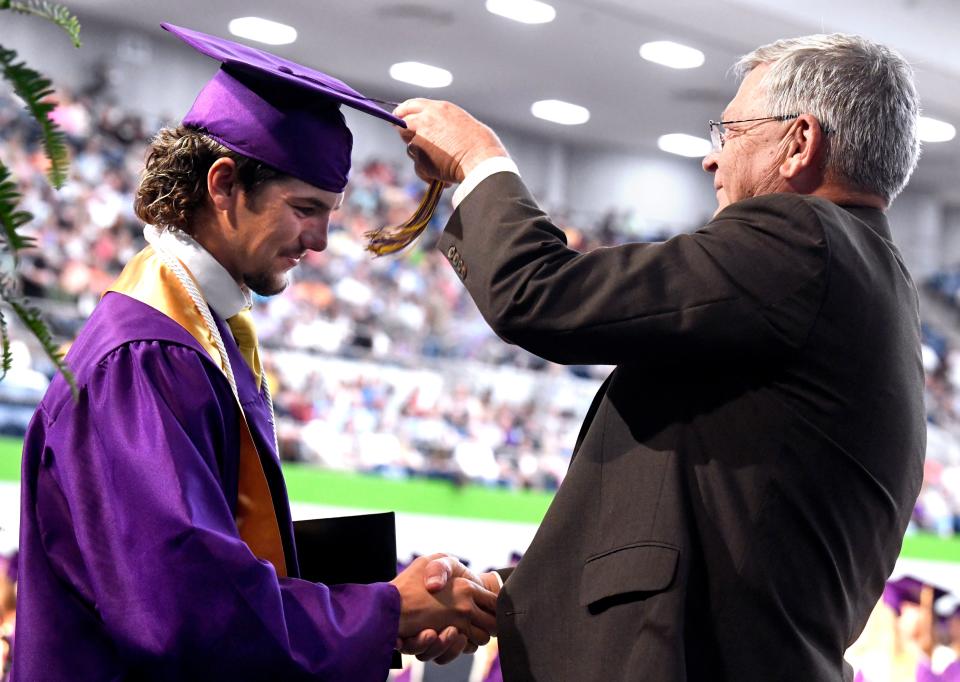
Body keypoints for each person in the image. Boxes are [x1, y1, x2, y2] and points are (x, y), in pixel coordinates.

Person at [396, 33, 926, 680]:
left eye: (728, 132)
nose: (710, 158)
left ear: (799, 143)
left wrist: (480, 166)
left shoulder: (802, 240)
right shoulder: (859, 278)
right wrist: (508, 597)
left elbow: (541, 296)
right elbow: (703, 525)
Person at [14, 24, 497, 681]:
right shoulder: (144, 358)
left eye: (330, 212)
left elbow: (221, 555)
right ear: (222, 184)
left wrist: (388, 595)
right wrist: (382, 612)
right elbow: (182, 607)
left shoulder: (195, 332)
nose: (322, 240)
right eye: (305, 208)